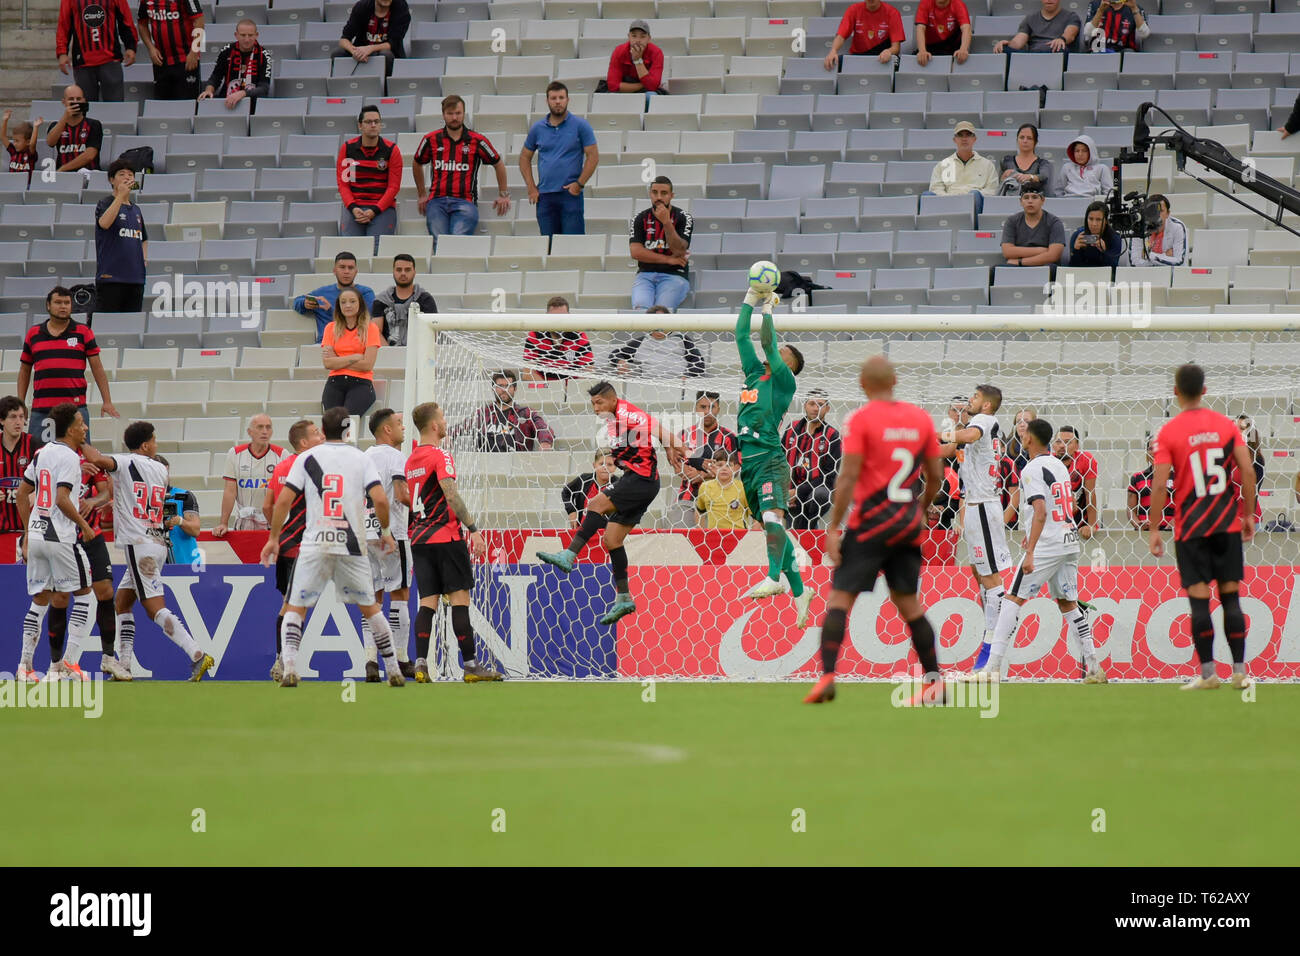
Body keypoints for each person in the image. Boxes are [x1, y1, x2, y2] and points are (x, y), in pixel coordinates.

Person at [804, 357, 945, 705]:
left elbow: (848, 476)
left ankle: (827, 677)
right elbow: (937, 476)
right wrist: (922, 507)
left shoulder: (862, 420)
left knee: (839, 600)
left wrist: (833, 526)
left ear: (863, 385)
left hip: (869, 525)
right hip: (907, 526)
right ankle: (935, 683)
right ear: (895, 380)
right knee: (910, 605)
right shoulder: (920, 419)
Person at [261, 406, 404, 687]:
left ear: (323, 431)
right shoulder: (360, 458)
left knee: (296, 607)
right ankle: (394, 669)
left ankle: (289, 667)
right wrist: (386, 532)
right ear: (348, 430)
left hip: (315, 542)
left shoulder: (306, 458)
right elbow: (382, 501)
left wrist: (274, 538)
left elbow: (282, 502)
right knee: (371, 608)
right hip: (350, 544)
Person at [537, 382, 684, 624]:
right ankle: (624, 598)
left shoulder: (627, 413)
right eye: (593, 404)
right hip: (641, 480)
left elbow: (660, 429)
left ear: (613, 400)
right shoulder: (613, 418)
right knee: (612, 539)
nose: (595, 408)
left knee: (595, 504)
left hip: (641, 480)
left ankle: (569, 555)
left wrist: (676, 449)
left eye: (599, 403)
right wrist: (667, 447)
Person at [1148, 364, 1256, 690]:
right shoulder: (1226, 426)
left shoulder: (1169, 432)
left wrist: (1154, 528)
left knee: (1199, 601)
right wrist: (1248, 514)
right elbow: (1247, 472)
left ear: (1176, 392)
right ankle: (1239, 673)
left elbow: (1158, 484)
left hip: (1191, 529)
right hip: (1226, 525)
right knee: (1231, 598)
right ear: (1205, 390)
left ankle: (1208, 675)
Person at [81, 419, 215, 681]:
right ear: (145, 445)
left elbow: (98, 460)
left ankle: (197, 654)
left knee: (154, 607)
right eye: (153, 440)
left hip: (139, 543)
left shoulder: (127, 461)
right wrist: (116, 501)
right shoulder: (160, 471)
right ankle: (125, 665)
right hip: (156, 542)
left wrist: (78, 439)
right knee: (122, 603)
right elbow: (137, 494)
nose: (156, 444)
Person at [977, 418, 1104, 682]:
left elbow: (1041, 510)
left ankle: (991, 669)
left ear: (1029, 439)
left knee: (1011, 598)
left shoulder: (1031, 468)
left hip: (1048, 543)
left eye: (1024, 434)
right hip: (1068, 540)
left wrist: (1032, 549)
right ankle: (1093, 666)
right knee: (1068, 603)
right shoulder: (1058, 464)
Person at [404, 402, 502, 682]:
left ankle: (420, 664)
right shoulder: (440, 455)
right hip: (445, 536)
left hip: (419, 539)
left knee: (427, 603)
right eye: (443, 418)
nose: (446, 422)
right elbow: (451, 494)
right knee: (460, 600)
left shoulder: (410, 460)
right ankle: (471, 666)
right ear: (434, 425)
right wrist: (473, 528)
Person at [732, 287, 810, 623]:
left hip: (769, 459)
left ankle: (774, 578)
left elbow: (766, 342)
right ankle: (800, 590)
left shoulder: (784, 382)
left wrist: (767, 308)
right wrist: (750, 298)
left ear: (789, 364)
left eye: (784, 351)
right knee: (771, 527)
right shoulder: (754, 374)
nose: (777, 349)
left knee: (773, 520)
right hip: (747, 464)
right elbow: (740, 335)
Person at [14, 405, 100, 682]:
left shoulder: (42, 452)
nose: (85, 427)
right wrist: (85, 526)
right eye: (81, 423)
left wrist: (28, 533)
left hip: (38, 536)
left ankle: (25, 666)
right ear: (70, 428)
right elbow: (62, 499)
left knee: (40, 599)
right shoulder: (69, 458)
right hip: (60, 537)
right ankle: (70, 663)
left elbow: (21, 493)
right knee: (87, 595)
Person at [938, 385, 1012, 675]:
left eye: (976, 397)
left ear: (987, 406)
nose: (970, 399)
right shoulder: (976, 429)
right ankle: (992, 642)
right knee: (979, 572)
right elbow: (950, 447)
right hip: (975, 506)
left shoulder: (983, 422)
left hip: (983, 506)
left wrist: (942, 433)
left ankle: (992, 648)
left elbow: (966, 436)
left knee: (991, 579)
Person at [262, 418, 325, 683]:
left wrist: (279, 532)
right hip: (308, 547)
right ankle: (284, 662)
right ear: (303, 442)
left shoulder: (282, 467)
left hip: (287, 547)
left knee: (288, 605)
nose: (321, 436)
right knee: (294, 606)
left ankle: (282, 659)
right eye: (315, 433)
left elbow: (268, 505)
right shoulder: (316, 465)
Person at [18, 287, 119, 444]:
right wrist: (20, 402)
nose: (63, 306)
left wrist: (107, 401)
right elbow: (24, 370)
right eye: (58, 302)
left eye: (67, 302)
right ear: (48, 305)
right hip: (42, 410)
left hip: (75, 410)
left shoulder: (83, 331)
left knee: (80, 459)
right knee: (39, 458)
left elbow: (97, 368)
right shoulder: (34, 333)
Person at [360, 408, 415, 682]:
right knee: (400, 593)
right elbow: (402, 493)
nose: (403, 428)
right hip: (391, 532)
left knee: (373, 598)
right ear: (387, 430)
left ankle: (370, 659)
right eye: (399, 424)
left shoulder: (364, 457)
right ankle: (402, 658)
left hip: (365, 534)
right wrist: (419, 508)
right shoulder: (395, 457)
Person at [414, 94, 510, 241]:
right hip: (436, 202)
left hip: (465, 202)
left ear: (464, 113)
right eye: (450, 113)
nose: (454, 117)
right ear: (443, 115)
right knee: (438, 243)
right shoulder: (431, 139)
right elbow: (417, 162)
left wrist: (503, 194)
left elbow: (498, 163)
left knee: (457, 242)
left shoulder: (477, 140)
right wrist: (421, 194)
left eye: (458, 113)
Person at [520, 81, 599, 237]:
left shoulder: (581, 125)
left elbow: (593, 156)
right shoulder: (537, 128)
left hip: (570, 195)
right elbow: (524, 157)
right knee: (548, 246)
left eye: (561, 97)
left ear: (567, 100)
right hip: (545, 196)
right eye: (554, 98)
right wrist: (531, 187)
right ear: (547, 101)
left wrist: (579, 184)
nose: (558, 102)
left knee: (571, 246)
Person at [337, 105, 402, 253]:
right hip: (355, 208)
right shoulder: (348, 149)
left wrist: (374, 210)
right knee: (350, 254)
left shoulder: (391, 150)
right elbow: (344, 185)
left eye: (377, 122)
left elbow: (393, 187)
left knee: (377, 253)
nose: (373, 125)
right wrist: (353, 208)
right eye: (368, 122)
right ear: (360, 125)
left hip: (382, 209)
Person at [673, 391, 739, 529]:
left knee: (713, 545)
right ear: (696, 408)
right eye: (703, 407)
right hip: (687, 497)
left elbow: (734, 468)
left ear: (719, 409)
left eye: (712, 407)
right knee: (679, 543)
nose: (708, 412)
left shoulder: (729, 437)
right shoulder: (684, 434)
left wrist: (701, 475)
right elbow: (677, 465)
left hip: (718, 500)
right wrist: (687, 472)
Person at [213, 413, 286, 536]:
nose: (265, 431)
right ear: (249, 432)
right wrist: (224, 523)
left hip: (272, 523)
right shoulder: (235, 453)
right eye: (260, 427)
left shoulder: (282, 454)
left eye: (268, 427)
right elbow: (230, 492)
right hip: (244, 521)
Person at [630, 176, 694, 311]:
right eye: (654, 192)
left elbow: (679, 251)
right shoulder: (639, 218)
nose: (658, 197)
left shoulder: (684, 217)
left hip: (674, 275)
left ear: (671, 196)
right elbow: (636, 252)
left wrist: (666, 223)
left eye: (664, 193)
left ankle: (660, 333)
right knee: (641, 311)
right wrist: (668, 259)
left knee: (661, 313)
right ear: (650, 194)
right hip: (645, 275)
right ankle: (649, 333)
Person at [453, 369, 555, 452]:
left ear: (515, 389)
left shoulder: (525, 413)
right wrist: (449, 435)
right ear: (493, 389)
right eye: (500, 386)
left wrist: (545, 442)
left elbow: (542, 427)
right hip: (486, 467)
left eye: (508, 386)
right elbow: (461, 427)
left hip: (517, 466)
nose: (504, 389)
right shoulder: (484, 413)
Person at [95, 158, 149, 313]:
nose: (127, 177)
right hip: (111, 277)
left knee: (131, 326)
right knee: (109, 325)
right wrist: (120, 196)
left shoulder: (136, 209)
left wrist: (144, 259)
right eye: (122, 174)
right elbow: (104, 223)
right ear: (112, 180)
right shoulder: (105, 203)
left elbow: (144, 238)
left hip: (135, 279)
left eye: (131, 175)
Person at [782, 388, 841, 531]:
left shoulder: (832, 435)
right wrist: (785, 489)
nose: (816, 408)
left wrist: (798, 492)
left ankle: (807, 529)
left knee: (820, 495)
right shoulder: (792, 429)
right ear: (805, 405)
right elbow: (780, 459)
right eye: (812, 404)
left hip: (814, 492)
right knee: (794, 533)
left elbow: (829, 476)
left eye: (820, 405)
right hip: (789, 491)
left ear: (827, 408)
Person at [57, 0, 137, 101]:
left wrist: (130, 46)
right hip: (83, 63)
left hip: (110, 59)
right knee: (86, 110)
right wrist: (62, 52)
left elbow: (126, 20)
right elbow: (64, 24)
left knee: (115, 110)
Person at [320, 288, 382, 415]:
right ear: (339, 306)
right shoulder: (330, 328)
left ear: (360, 304)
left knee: (346, 422)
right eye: (343, 302)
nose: (348, 305)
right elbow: (328, 364)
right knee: (332, 423)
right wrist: (355, 357)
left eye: (352, 301)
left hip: (361, 383)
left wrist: (337, 358)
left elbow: (367, 365)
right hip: (335, 381)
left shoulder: (370, 328)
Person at [293, 251, 376, 343]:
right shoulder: (323, 293)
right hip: (325, 343)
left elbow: (365, 320)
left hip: (355, 342)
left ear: (356, 272)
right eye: (342, 267)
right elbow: (297, 301)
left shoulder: (365, 293)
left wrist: (330, 310)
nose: (346, 271)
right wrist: (305, 303)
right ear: (334, 271)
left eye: (350, 268)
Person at [925, 121, 999, 216]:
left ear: (974, 139)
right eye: (960, 135)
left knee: (975, 195)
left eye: (968, 135)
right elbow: (936, 189)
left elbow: (992, 190)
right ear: (954, 140)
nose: (964, 139)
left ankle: (974, 229)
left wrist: (969, 196)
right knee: (927, 196)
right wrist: (952, 199)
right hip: (948, 203)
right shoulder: (943, 164)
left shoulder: (987, 165)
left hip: (974, 203)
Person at [136, 0, 204, 100]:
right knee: (163, 107)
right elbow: (142, 24)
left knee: (187, 105)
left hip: (185, 60)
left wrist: (194, 51)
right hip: (160, 61)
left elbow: (199, 21)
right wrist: (150, 48)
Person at [199, 19, 272, 110]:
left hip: (253, 103)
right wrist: (208, 90)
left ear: (256, 35)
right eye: (243, 35)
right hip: (226, 101)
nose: (246, 39)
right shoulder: (226, 51)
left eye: (250, 35)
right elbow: (216, 77)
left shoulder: (264, 55)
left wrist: (243, 93)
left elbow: (264, 88)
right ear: (236, 35)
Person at [522, 297, 594, 383]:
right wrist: (549, 389)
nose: (558, 322)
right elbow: (527, 373)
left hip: (571, 389)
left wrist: (570, 390)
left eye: (562, 317)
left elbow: (588, 371)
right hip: (542, 388)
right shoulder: (535, 335)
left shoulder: (579, 336)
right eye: (554, 317)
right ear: (546, 316)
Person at [373, 254, 437, 347]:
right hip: (388, 354)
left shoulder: (425, 299)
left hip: (418, 353)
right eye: (399, 270)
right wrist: (390, 353)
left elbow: (432, 332)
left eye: (407, 270)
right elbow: (375, 332)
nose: (403, 273)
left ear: (414, 272)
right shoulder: (381, 300)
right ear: (393, 272)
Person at [334, 0, 411, 75]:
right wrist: (355, 52)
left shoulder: (401, 7)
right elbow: (344, 39)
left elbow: (393, 43)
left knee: (386, 54)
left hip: (390, 54)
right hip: (361, 51)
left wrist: (370, 48)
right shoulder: (361, 7)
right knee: (337, 53)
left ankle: (386, 87)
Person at [823, 0, 905, 70]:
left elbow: (896, 47)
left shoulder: (892, 13)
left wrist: (889, 51)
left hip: (881, 58)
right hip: (858, 57)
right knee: (833, 62)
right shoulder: (853, 10)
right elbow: (841, 36)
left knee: (898, 64)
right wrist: (833, 50)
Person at [610, 322, 706, 379]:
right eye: (656, 327)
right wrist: (620, 362)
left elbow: (698, 361)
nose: (659, 331)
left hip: (679, 384)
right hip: (650, 386)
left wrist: (689, 375)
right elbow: (615, 353)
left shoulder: (681, 339)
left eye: (663, 327)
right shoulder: (641, 342)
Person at [1000, 184, 1066, 267]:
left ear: (1042, 200)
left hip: (1043, 266)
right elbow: (1007, 252)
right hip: (1017, 267)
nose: (1030, 201)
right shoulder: (1012, 221)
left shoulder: (1054, 222)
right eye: (1026, 197)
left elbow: (1053, 256)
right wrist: (1041, 250)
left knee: (1053, 268)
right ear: (1021, 201)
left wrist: (1020, 262)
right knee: (994, 271)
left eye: (1035, 197)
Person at [1, 397, 40, 535]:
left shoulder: (34, 444)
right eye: (12, 417)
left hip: (30, 529)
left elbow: (51, 478)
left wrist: (37, 493)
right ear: (1, 420)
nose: (18, 422)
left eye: (21, 417)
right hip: (2, 529)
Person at [606, 20, 665, 105]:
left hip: (645, 91)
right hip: (624, 91)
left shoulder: (657, 53)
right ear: (628, 37)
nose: (638, 40)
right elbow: (613, 85)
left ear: (649, 39)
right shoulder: (619, 51)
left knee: (651, 96)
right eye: (634, 36)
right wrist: (642, 85)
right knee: (610, 96)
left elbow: (652, 87)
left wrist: (637, 61)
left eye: (642, 36)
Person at [1052, 424, 1098, 533]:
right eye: (1058, 442)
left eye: (1068, 442)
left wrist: (1092, 526)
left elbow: (1090, 493)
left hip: (1081, 523)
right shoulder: (1047, 462)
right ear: (1053, 445)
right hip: (1054, 523)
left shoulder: (1086, 460)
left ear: (1077, 446)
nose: (1062, 445)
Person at [45, 85, 102, 172]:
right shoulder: (56, 125)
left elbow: (89, 155)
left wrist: (63, 169)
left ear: (84, 101)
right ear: (64, 102)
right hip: (64, 176)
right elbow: (50, 142)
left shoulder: (94, 124)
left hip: (88, 173)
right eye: (71, 99)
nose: (75, 102)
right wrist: (65, 116)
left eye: (78, 99)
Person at [157, 456, 200, 566]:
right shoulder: (143, 498)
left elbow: (195, 530)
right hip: (152, 563)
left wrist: (180, 521)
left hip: (185, 563)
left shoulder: (184, 495)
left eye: (166, 472)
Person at [993, 0, 1081, 53]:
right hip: (1032, 54)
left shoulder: (1071, 16)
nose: (1049, 0)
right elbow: (1018, 41)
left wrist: (1062, 39)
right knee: (1002, 50)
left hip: (1055, 52)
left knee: (1060, 49)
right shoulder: (1030, 18)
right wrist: (1008, 44)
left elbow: (1070, 34)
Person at [563, 449, 618, 530]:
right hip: (581, 533)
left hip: (607, 536)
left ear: (616, 467)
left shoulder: (619, 485)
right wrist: (571, 511)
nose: (605, 467)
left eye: (609, 464)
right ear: (594, 465)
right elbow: (566, 492)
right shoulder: (584, 480)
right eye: (601, 464)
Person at [1127, 193, 1187, 266]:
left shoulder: (1177, 227)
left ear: (1168, 213)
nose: (1157, 215)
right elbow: (1134, 262)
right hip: (1145, 275)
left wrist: (1148, 256)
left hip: (1171, 274)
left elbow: (1179, 261)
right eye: (1153, 211)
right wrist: (1166, 256)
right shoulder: (1137, 227)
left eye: (1161, 211)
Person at [694, 450, 749, 530]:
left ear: (735, 468)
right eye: (720, 465)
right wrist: (700, 531)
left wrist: (753, 536)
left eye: (728, 465)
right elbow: (699, 511)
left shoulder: (742, 487)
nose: (724, 468)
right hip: (714, 537)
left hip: (738, 537)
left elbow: (755, 515)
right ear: (713, 467)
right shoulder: (705, 487)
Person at [1128, 436, 1173, 530]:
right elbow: (1130, 510)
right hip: (1144, 534)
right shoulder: (1137, 478)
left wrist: (1171, 526)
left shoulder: (1179, 478)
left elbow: (1185, 508)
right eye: (1151, 448)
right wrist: (1139, 525)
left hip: (1171, 534)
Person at [998, 123, 1053, 197]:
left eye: (1029, 138)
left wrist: (1030, 177)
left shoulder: (1043, 163)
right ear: (1017, 140)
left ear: (1035, 142)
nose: (1025, 141)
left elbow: (1043, 176)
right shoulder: (1006, 161)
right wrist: (1003, 178)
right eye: (1022, 137)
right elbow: (999, 185)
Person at [1067, 200, 1122, 267]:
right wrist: (1076, 251)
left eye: (1098, 220)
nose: (1094, 224)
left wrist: (1104, 252)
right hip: (1082, 274)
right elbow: (1071, 270)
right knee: (1068, 276)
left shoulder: (1114, 238)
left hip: (1104, 275)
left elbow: (1114, 269)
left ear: (1106, 221)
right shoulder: (1078, 235)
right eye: (1091, 219)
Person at [915, 0, 972, 65]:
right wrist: (922, 50)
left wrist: (963, 49)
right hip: (930, 46)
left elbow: (966, 27)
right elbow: (920, 27)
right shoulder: (925, 2)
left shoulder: (958, 4)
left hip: (952, 46)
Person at [1083, 0, 1148, 53]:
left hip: (1124, 51)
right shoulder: (1096, 5)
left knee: (1129, 52)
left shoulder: (1135, 7)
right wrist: (1100, 11)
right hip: (1099, 49)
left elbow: (1144, 34)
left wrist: (1134, 9)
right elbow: (1087, 33)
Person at [1236, 414, 1265, 523]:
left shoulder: (1257, 460)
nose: (1238, 432)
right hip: (1230, 520)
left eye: (1242, 429)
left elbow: (1253, 493)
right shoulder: (1227, 455)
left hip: (1250, 520)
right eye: (1235, 428)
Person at [3, 110, 43, 185]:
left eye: (17, 141)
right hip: (11, 185)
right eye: (13, 140)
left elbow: (33, 144)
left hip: (26, 186)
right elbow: (3, 137)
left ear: (27, 142)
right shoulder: (13, 151)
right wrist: (5, 121)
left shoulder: (30, 153)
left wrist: (36, 127)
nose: (14, 144)